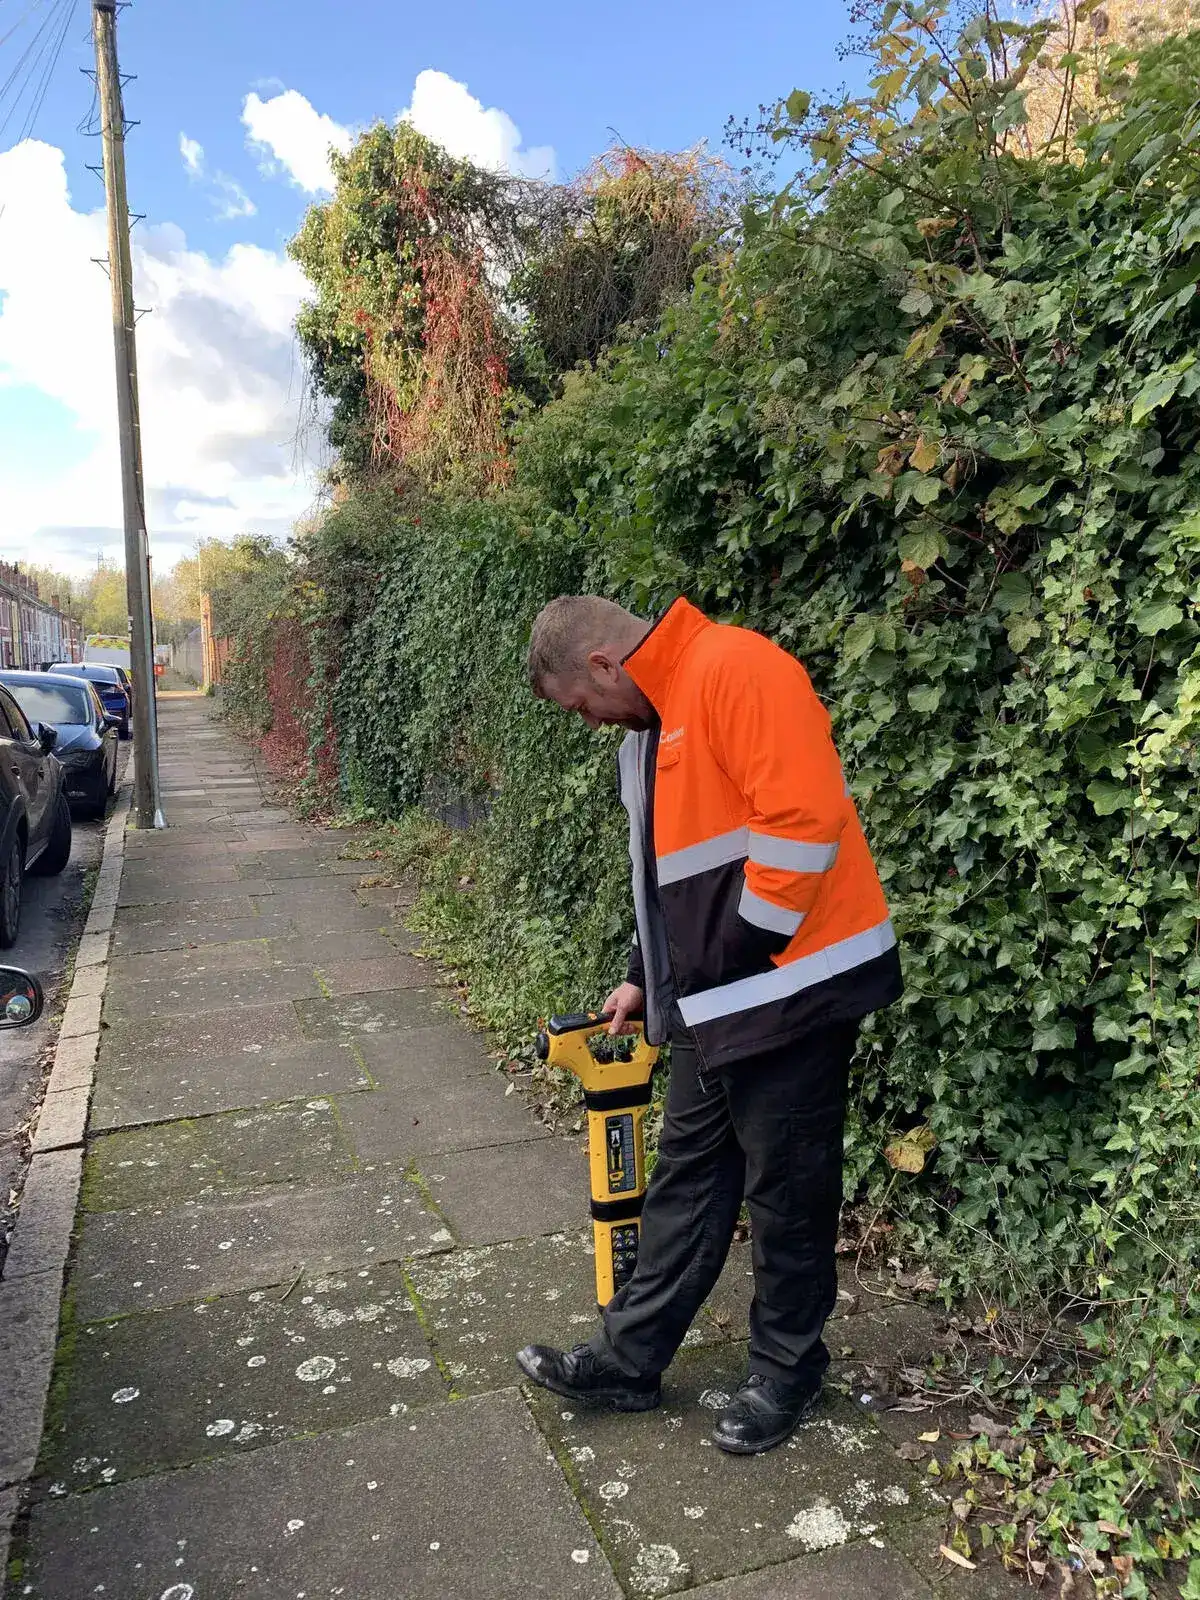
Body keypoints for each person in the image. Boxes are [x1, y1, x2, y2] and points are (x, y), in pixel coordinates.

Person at [516, 594, 903, 1454]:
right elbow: (672, 879)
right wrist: (644, 979)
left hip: (791, 992)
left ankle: (787, 1372)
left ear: (604, 665)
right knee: (688, 1183)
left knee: (787, 1194)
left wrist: (729, 955)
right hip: (712, 997)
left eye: (582, 705)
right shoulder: (645, 735)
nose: (589, 722)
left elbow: (803, 828)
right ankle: (628, 1362)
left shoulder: (736, 667)